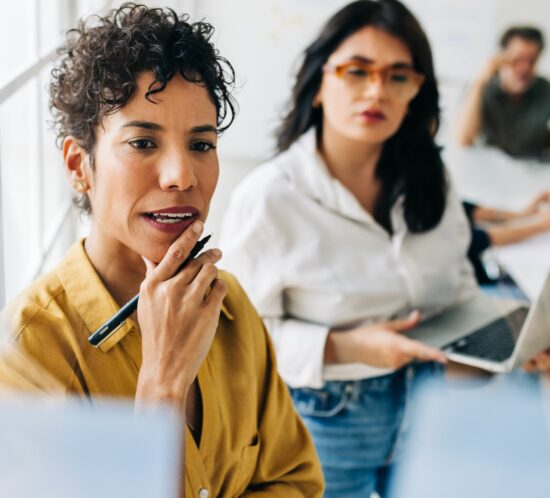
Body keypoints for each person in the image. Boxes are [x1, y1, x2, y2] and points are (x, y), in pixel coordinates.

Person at [0, 5, 324, 497]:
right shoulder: (26, 355)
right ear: (78, 165)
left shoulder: (229, 303)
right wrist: (162, 385)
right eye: (143, 143)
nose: (181, 176)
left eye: (201, 145)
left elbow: (296, 481)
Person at [219, 1, 479, 496]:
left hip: (432, 405)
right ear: (320, 84)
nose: (377, 90)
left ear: (416, 91)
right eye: (357, 71)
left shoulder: (431, 180)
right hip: (325, 418)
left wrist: (500, 351)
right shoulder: (271, 197)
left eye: (398, 76)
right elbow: (235, 343)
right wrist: (346, 347)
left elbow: (459, 292)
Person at [454, 26, 550, 159]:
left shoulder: (544, 89)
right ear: (502, 57)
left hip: (532, 172)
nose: (525, 68)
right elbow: (463, 139)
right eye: (517, 59)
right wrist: (481, 80)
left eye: (531, 61)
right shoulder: (482, 88)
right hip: (489, 172)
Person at [463, 192, 550, 285]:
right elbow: (477, 240)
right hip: (476, 280)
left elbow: (462, 209)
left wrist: (520, 215)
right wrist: (540, 226)